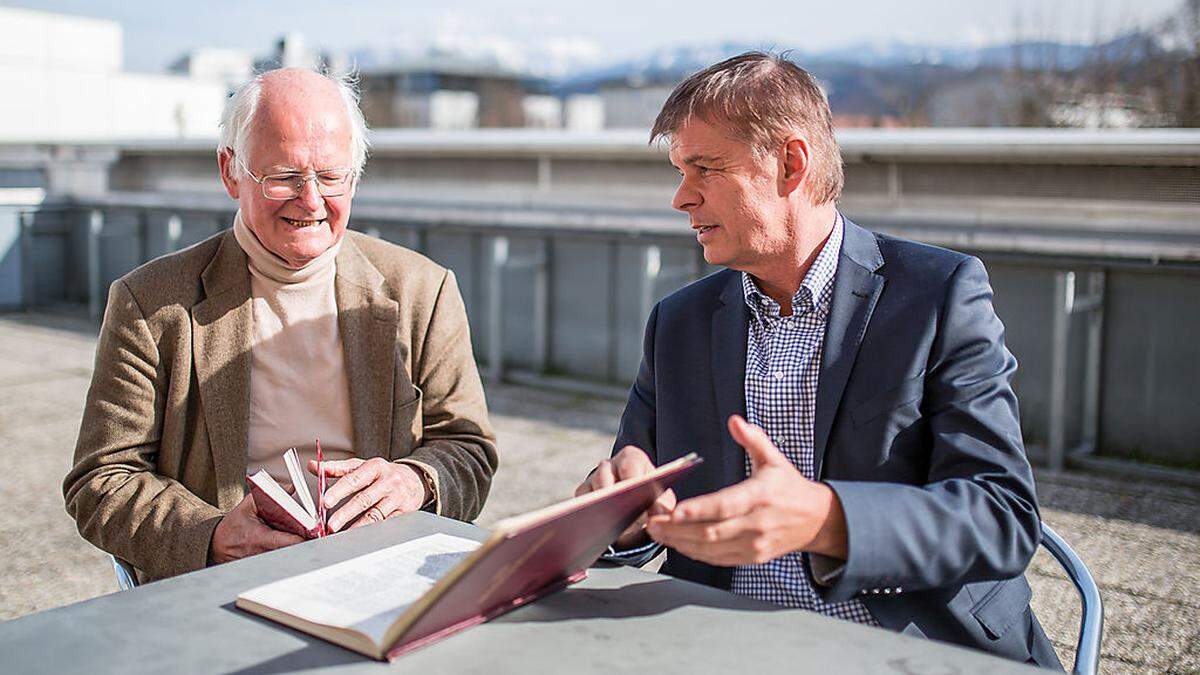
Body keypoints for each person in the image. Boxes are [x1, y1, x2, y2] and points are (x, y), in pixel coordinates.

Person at [575, 52, 1061, 668]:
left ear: (790, 163)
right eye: (679, 170)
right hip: (727, 648)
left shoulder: (937, 294)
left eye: (704, 168)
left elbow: (1002, 516)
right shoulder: (679, 322)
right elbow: (635, 505)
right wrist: (618, 515)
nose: (680, 198)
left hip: (905, 648)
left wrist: (826, 520)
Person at [63, 68, 497, 583]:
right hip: (225, 585)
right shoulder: (152, 304)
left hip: (381, 571)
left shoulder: (422, 291)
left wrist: (415, 481)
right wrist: (212, 535)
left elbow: (470, 451)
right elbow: (100, 480)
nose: (311, 201)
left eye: (331, 176)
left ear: (354, 177)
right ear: (230, 172)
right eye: (285, 177)